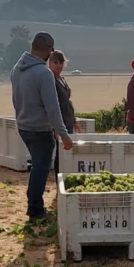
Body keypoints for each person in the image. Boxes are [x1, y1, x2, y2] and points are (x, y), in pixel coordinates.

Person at [11, 32, 73, 220]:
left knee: (38, 166)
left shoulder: (17, 68)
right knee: (41, 168)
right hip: (40, 128)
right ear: (48, 50)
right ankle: (35, 209)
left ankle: (34, 203)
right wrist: (64, 135)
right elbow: (52, 109)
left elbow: (15, 99)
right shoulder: (43, 74)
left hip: (23, 125)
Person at [48, 50, 80, 185]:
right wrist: (55, 126)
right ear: (49, 63)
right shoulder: (49, 80)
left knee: (66, 154)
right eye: (55, 62)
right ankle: (59, 181)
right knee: (60, 155)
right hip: (58, 123)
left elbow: (67, 103)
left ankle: (65, 179)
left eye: (61, 62)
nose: (58, 65)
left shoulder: (61, 79)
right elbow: (52, 105)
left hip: (67, 121)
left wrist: (74, 120)